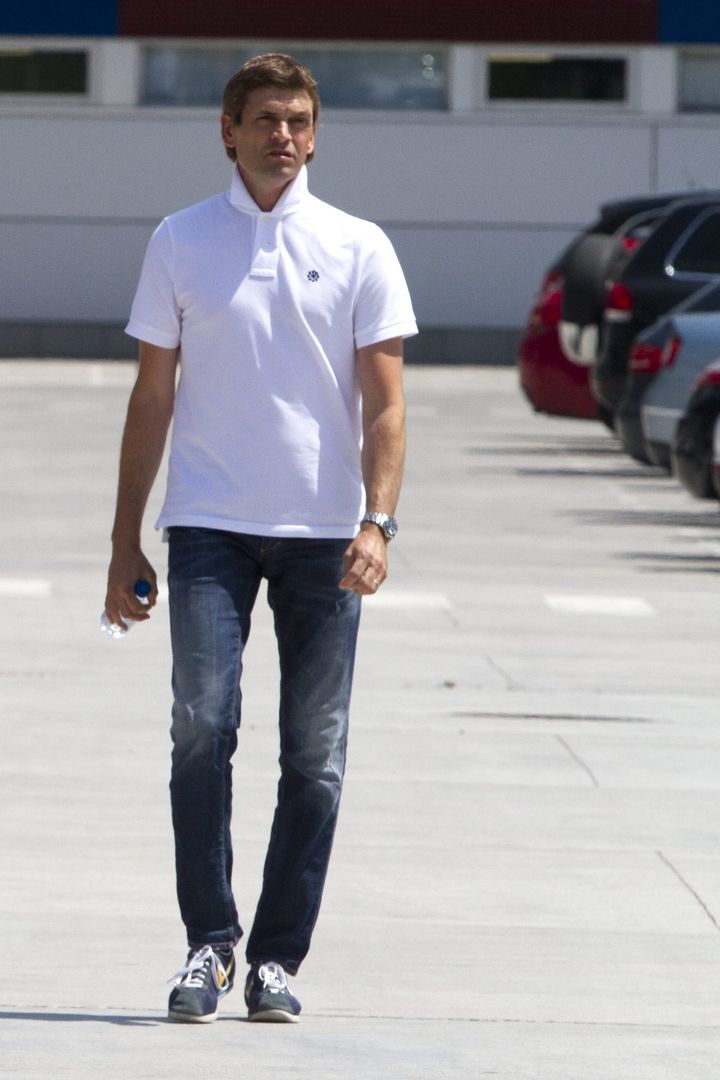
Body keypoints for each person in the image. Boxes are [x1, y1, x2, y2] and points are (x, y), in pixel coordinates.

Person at [104, 52, 417, 1025]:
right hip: (207, 525)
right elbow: (151, 397)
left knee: (314, 753)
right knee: (201, 727)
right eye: (266, 118)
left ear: (315, 136)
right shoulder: (180, 239)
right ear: (228, 131)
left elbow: (388, 405)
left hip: (325, 534)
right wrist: (123, 540)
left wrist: (378, 522)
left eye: (298, 120)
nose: (283, 134)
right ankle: (209, 942)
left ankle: (277, 960)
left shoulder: (359, 244)